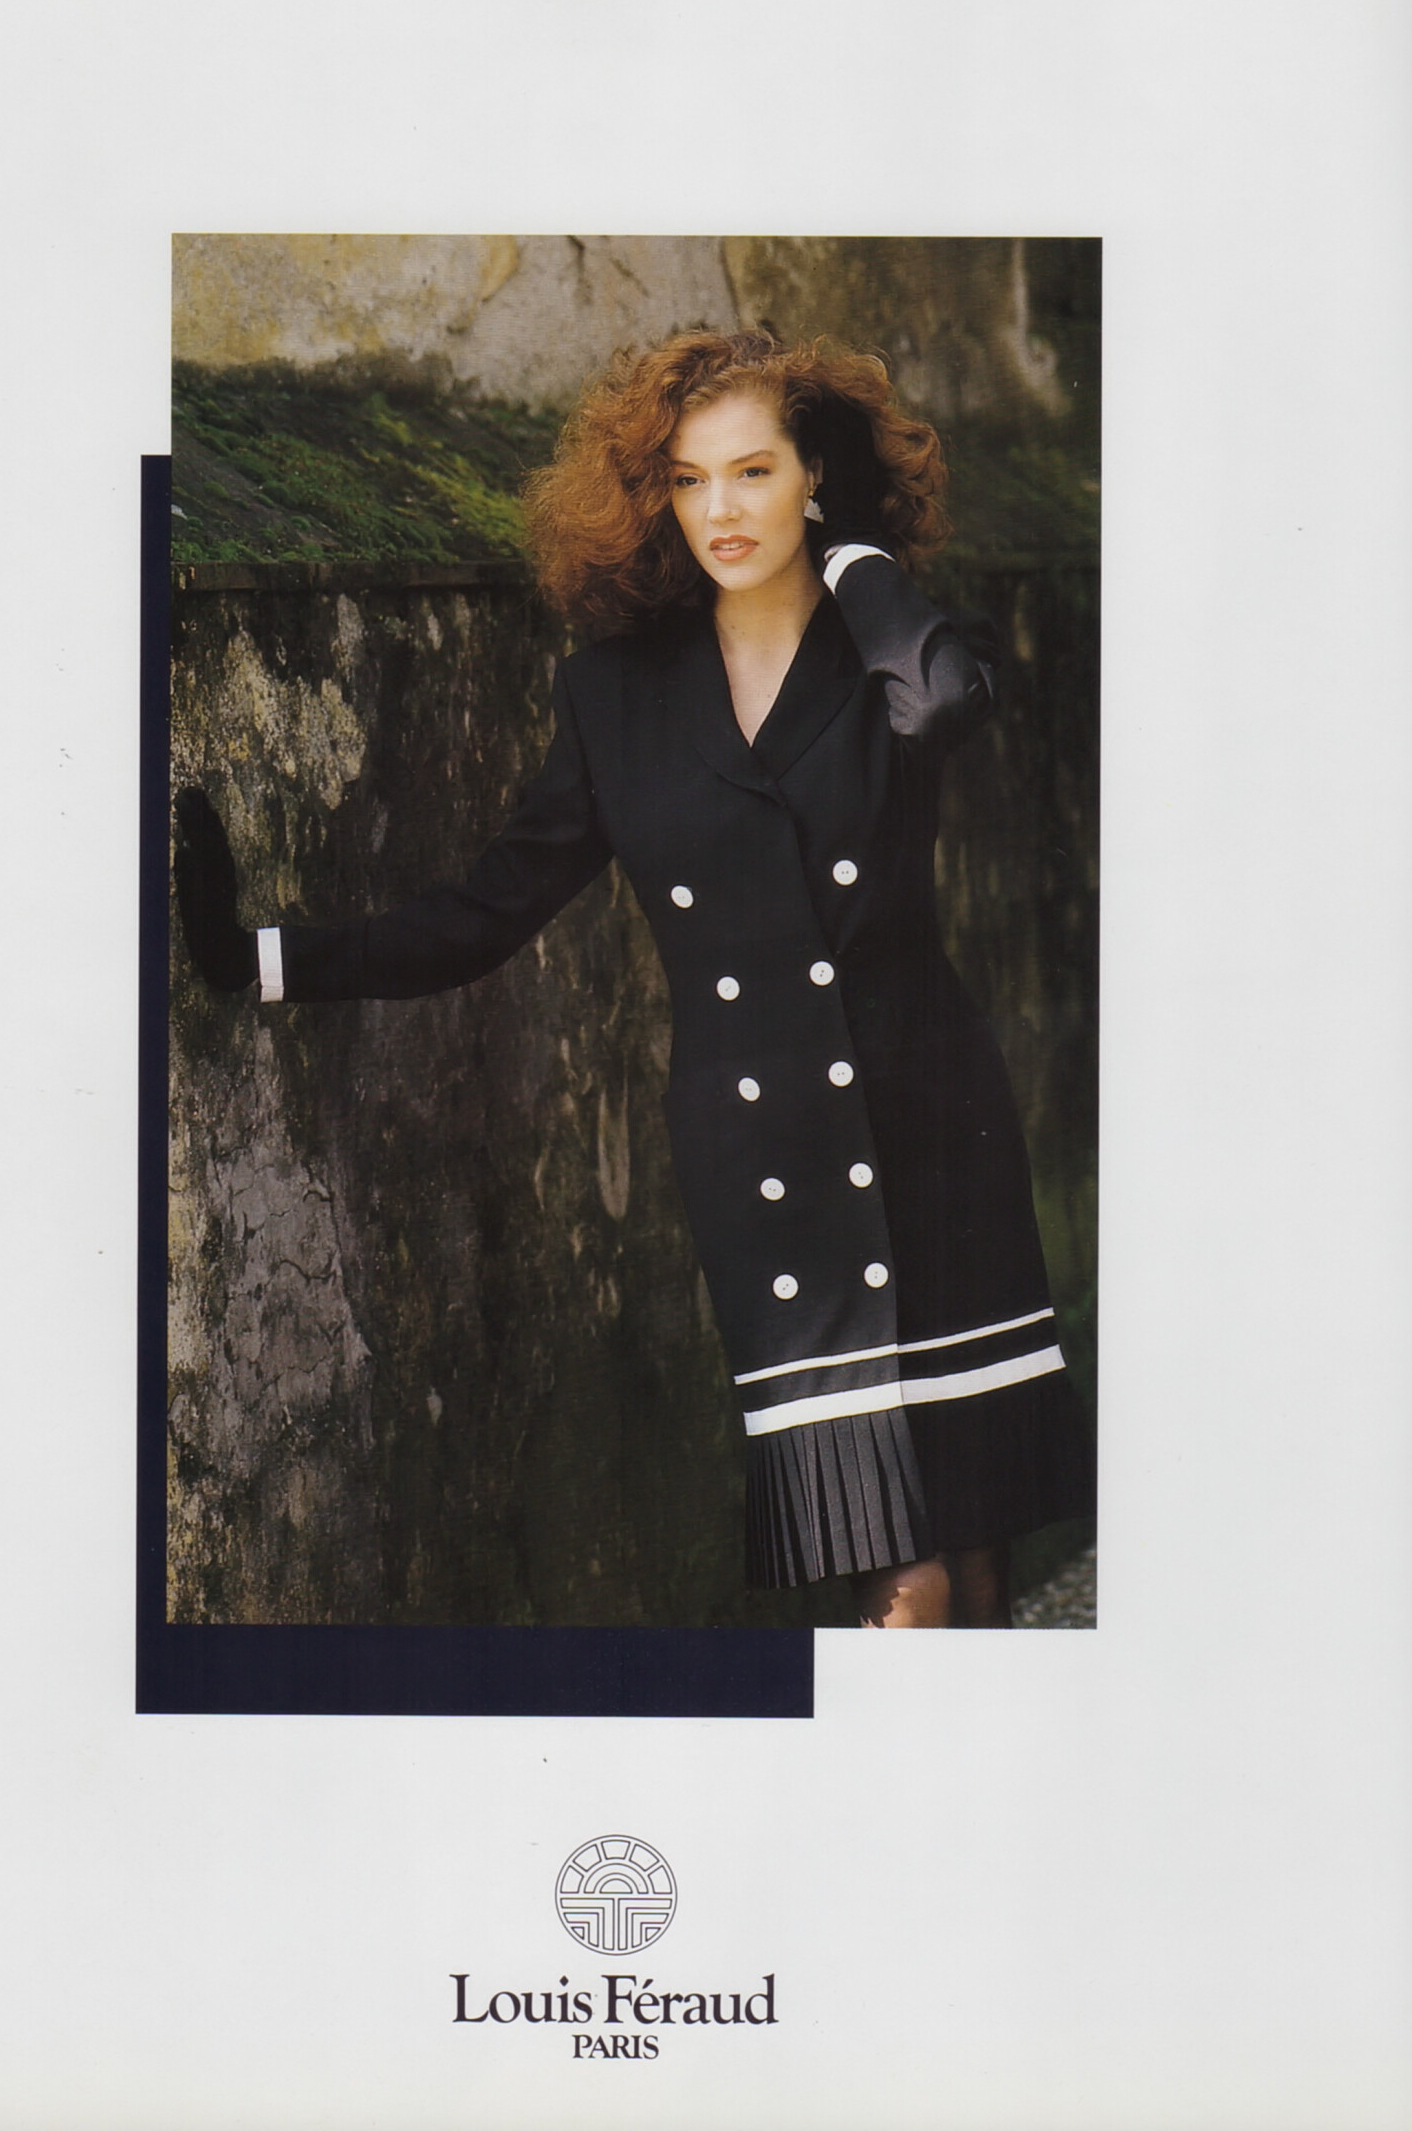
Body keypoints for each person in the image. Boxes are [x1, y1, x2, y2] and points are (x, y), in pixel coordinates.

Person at [174, 327, 1094, 1629]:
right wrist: (254, 957)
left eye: (755, 471)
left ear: (814, 476)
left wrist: (858, 560)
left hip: (936, 1138)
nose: (722, 509)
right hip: (770, 1174)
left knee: (980, 1555)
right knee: (903, 1573)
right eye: (688, 478)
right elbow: (484, 914)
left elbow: (942, 707)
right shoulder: (617, 698)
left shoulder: (901, 645)